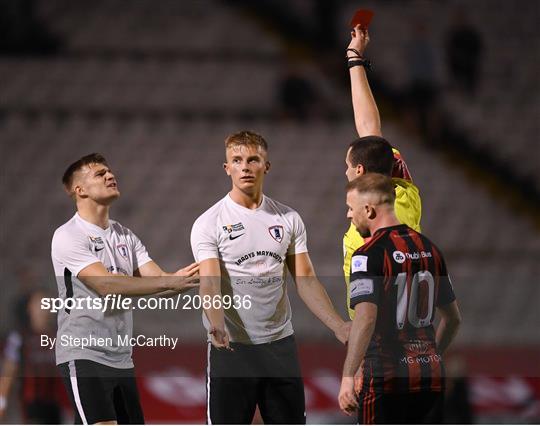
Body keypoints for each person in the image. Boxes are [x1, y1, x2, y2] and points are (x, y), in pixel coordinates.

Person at [190, 131, 350, 424]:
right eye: (236, 160)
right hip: (232, 347)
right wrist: (216, 322)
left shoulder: (288, 219)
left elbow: (306, 279)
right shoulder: (209, 223)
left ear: (267, 165)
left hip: (279, 346)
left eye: (253, 159)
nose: (245, 166)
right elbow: (209, 281)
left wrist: (338, 326)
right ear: (227, 168)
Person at [51, 153, 199, 424]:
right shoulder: (68, 235)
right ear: (79, 190)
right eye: (100, 174)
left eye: (109, 171)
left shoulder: (124, 235)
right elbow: (105, 285)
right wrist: (169, 281)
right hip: (84, 353)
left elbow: (162, 283)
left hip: (120, 358)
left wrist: (202, 272)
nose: (110, 176)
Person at [338, 173, 462, 423]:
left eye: (351, 209)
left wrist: (348, 376)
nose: (349, 216)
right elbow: (453, 319)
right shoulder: (430, 248)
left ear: (369, 210)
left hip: (387, 377)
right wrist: (431, 355)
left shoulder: (366, 255)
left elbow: (365, 319)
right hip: (430, 377)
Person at [344, 25, 422, 321]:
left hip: (383, 334)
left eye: (348, 167)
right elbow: (370, 131)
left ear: (360, 170)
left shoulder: (382, 218)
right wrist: (354, 59)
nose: (346, 172)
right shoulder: (403, 192)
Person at [0, 289, 64, 424]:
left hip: (56, 406)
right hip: (30, 406)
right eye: (39, 305)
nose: (43, 310)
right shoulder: (19, 338)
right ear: (30, 308)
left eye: (46, 305)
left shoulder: (59, 336)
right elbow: (8, 373)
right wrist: (2, 403)